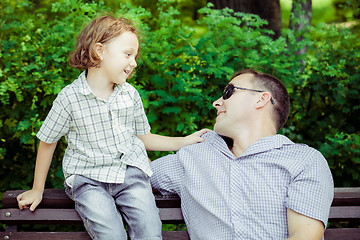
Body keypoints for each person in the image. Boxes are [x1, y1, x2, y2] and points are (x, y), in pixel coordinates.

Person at [16, 15, 208, 240]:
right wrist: (37, 189)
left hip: (130, 175)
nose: (134, 62)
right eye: (128, 54)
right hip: (87, 180)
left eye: (135, 56)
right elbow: (48, 140)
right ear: (99, 51)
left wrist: (182, 141)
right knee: (110, 235)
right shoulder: (69, 98)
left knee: (149, 231)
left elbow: (143, 137)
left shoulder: (130, 94)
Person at [150, 69, 334, 239]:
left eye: (228, 92)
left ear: (261, 99)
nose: (216, 103)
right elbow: (132, 169)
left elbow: (305, 236)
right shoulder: (191, 157)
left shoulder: (304, 161)